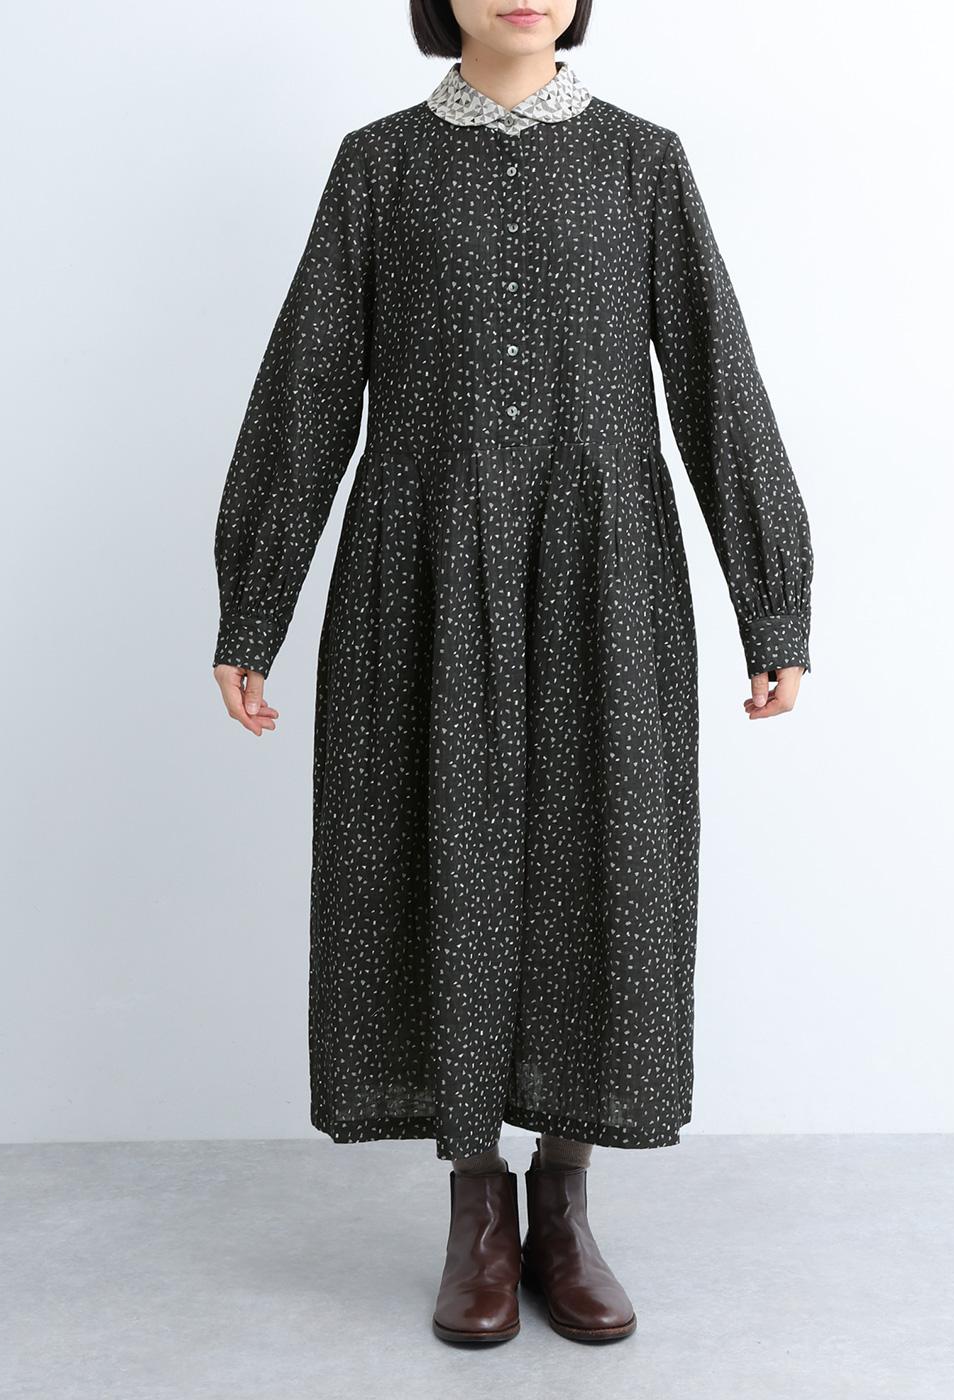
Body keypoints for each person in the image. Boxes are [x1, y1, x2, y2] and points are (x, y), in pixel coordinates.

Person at [211, 0, 813, 1347]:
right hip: (425, 568)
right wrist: (254, 608)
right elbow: (310, 384)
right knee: (446, 861)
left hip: (604, 569)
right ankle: (475, 1206)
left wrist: (772, 600)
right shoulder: (379, 165)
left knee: (604, 861)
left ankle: (567, 1203)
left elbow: (716, 377)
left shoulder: (643, 161)